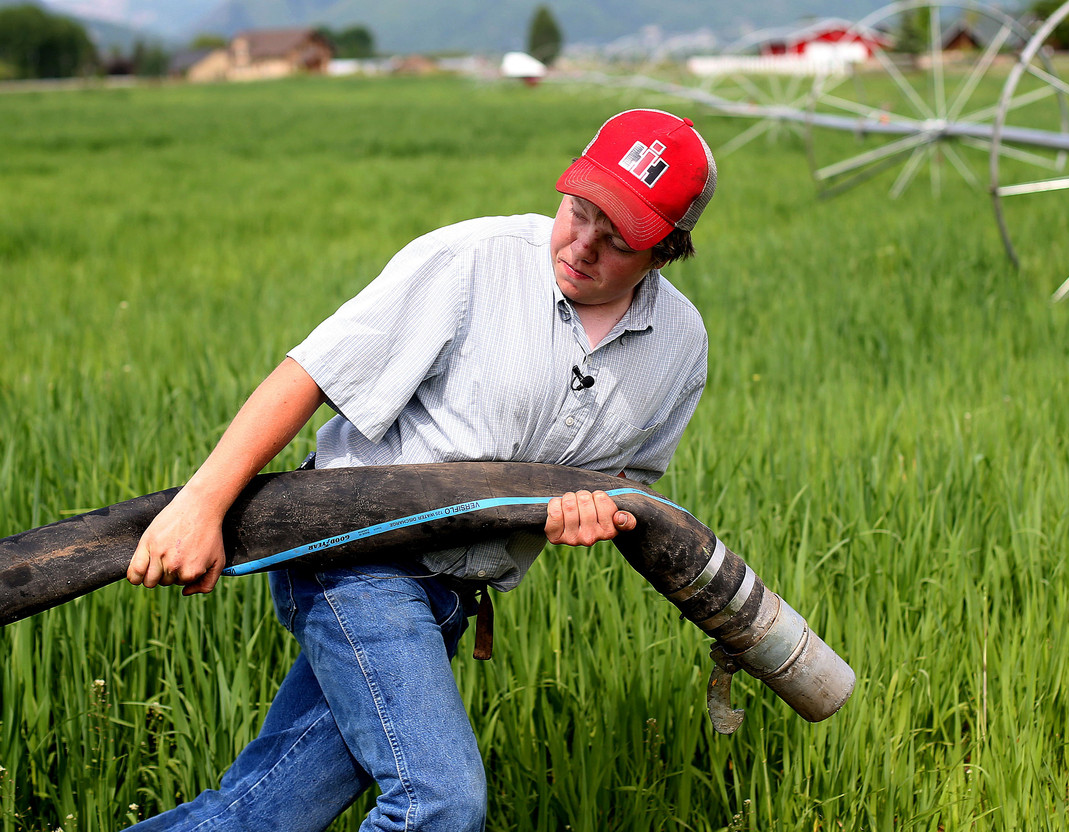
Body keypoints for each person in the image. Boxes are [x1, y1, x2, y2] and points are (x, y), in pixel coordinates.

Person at [121, 108, 717, 831]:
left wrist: (593, 512)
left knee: (262, 813)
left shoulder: (678, 345)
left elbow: (628, 485)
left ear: (666, 252)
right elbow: (313, 373)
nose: (582, 245)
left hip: (451, 595)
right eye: (579, 211)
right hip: (352, 554)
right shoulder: (473, 262)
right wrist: (199, 506)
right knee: (439, 804)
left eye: (617, 240)